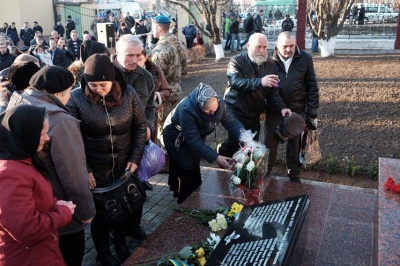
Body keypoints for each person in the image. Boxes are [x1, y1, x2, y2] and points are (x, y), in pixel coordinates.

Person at [7, 66, 96, 265]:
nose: (70, 99)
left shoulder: (19, 100)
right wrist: (85, 211)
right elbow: (73, 172)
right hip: (61, 211)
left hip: (32, 207)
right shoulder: (60, 120)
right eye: (68, 93)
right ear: (57, 94)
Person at [67, 54, 147, 265]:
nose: (98, 89)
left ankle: (119, 241)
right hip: (96, 167)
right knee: (101, 213)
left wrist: (135, 157)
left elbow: (140, 127)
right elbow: (72, 138)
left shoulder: (129, 94)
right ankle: (103, 251)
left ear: (114, 80)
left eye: (103, 84)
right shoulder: (76, 99)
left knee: (123, 206)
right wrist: (85, 168)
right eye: (93, 85)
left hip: (124, 164)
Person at [0, 104, 75, 266]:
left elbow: (34, 196)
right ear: (25, 135)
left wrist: (55, 203)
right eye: (42, 134)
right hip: (28, 257)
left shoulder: (22, 157)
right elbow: (25, 229)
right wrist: (63, 212)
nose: (47, 138)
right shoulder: (10, 174)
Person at [163, 83, 244, 203]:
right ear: (199, 106)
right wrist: (215, 157)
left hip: (192, 136)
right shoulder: (187, 110)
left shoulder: (219, 104)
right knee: (187, 169)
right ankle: (186, 202)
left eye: (215, 109)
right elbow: (194, 141)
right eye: (209, 111)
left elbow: (232, 123)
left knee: (193, 163)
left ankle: (182, 191)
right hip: (176, 137)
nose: (213, 113)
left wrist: (245, 139)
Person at [219, 33, 291, 157]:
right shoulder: (236, 61)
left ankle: (244, 172)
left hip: (255, 113)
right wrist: (260, 82)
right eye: (258, 47)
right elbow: (236, 82)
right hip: (235, 110)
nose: (262, 51)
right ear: (248, 45)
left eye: (264, 47)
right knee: (236, 141)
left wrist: (282, 108)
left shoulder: (271, 65)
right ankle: (222, 157)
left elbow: (273, 93)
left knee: (251, 144)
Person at [267, 31, 319, 182]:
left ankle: (294, 173)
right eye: (285, 46)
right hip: (274, 111)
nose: (289, 49)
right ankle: (266, 170)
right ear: (277, 45)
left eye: (292, 45)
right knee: (269, 144)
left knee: (294, 144)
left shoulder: (305, 59)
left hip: (297, 110)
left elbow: (312, 86)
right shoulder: (269, 60)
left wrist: (312, 112)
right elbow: (264, 88)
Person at [150, 15, 188, 146]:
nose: (151, 30)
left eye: (153, 26)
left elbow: (155, 77)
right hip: (176, 90)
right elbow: (185, 68)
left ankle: (167, 162)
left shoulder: (160, 50)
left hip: (164, 96)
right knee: (175, 127)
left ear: (159, 27)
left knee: (164, 130)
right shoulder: (177, 43)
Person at [138, 48, 171, 144]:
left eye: (140, 59)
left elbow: (167, 91)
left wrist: (156, 95)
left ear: (146, 58)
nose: (136, 62)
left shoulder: (155, 71)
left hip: (150, 118)